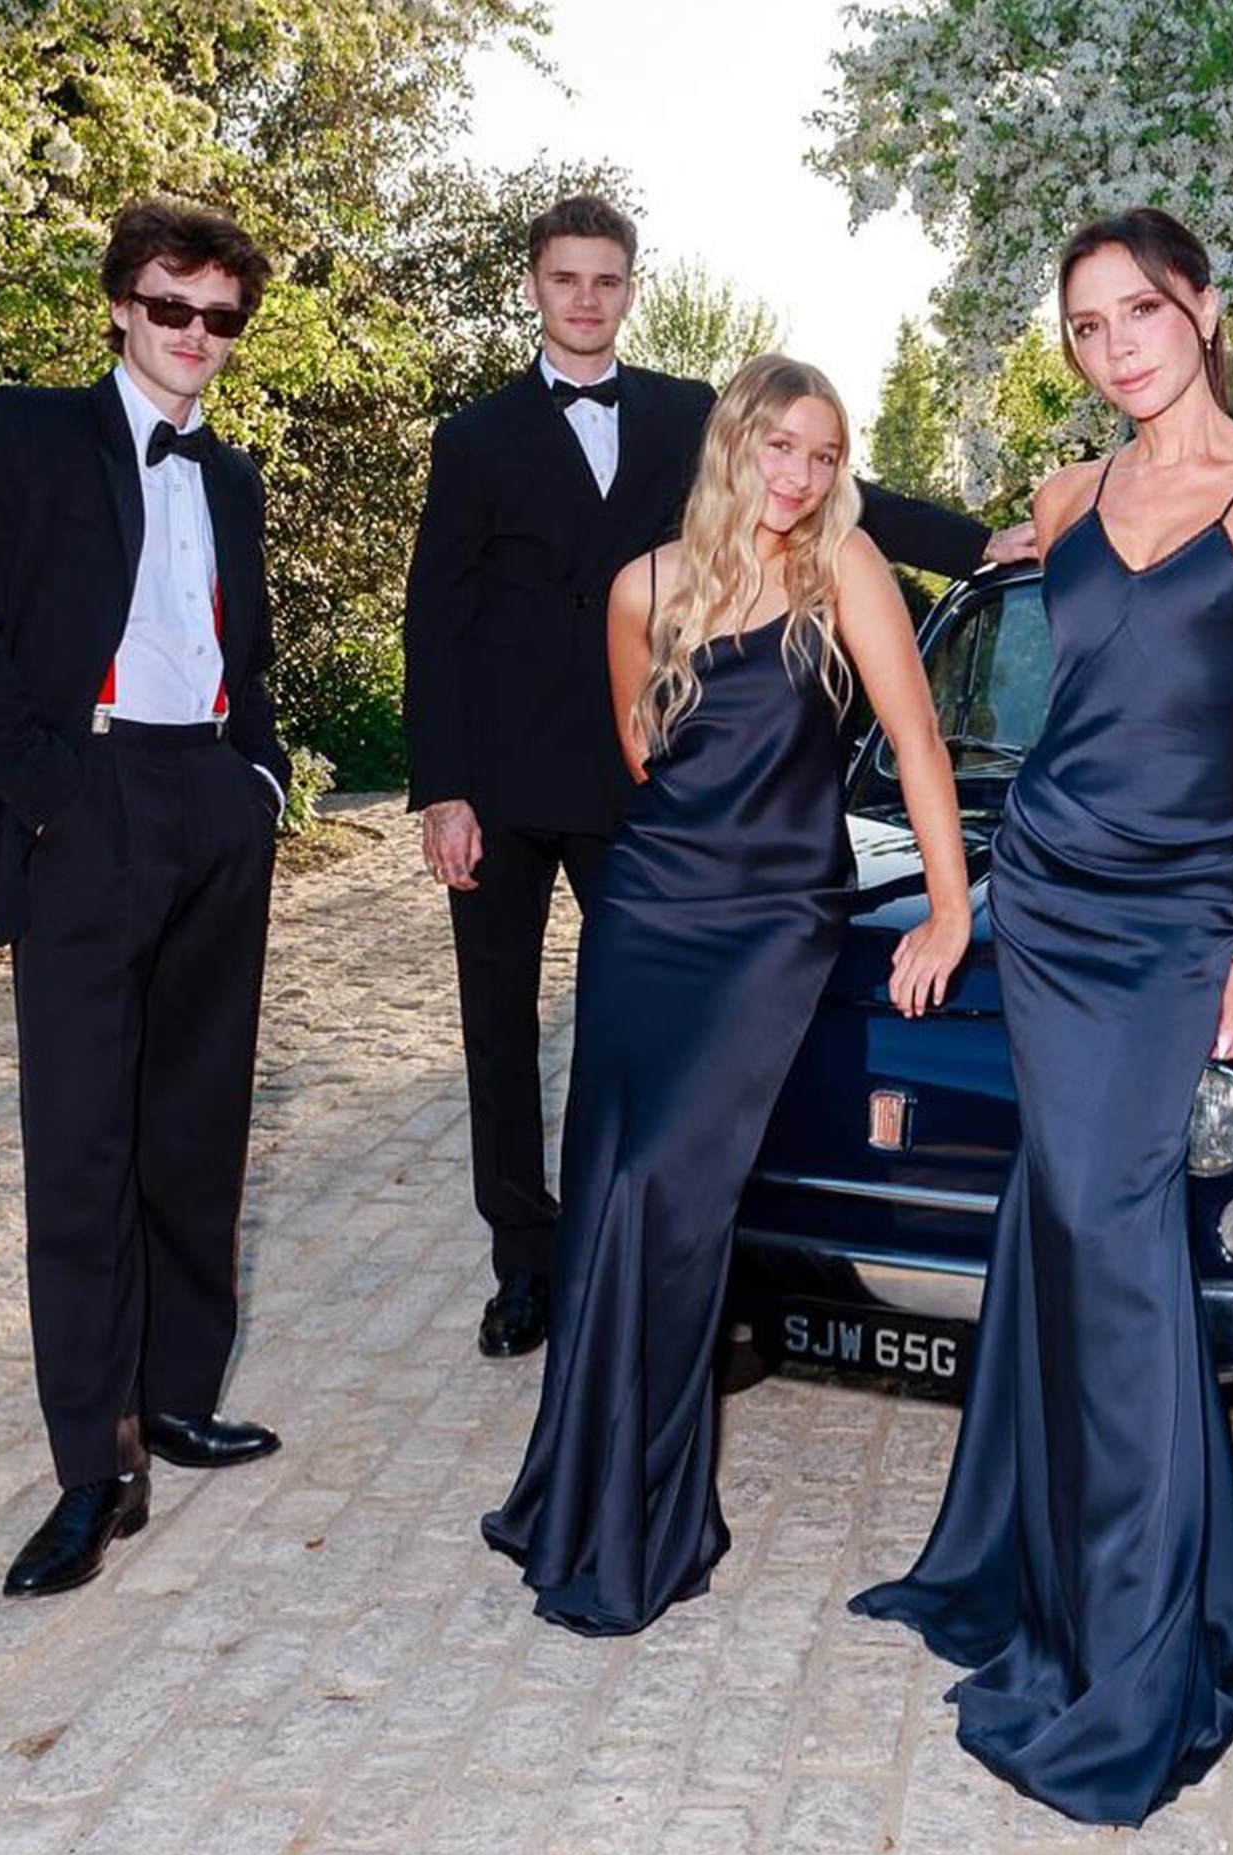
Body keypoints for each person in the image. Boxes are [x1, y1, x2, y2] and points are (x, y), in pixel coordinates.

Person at [853, 209, 1233, 1825]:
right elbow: (957, 563)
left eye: (1138, 311)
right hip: (1050, 898)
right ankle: (1042, 1571)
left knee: (1118, 1246)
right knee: (1064, 1227)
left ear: (1202, 308)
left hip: (1187, 916)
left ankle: (1142, 1653)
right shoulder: (1069, 498)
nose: (1116, 344)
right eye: (1085, 327)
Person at [403, 195, 1033, 1362]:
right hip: (502, 774)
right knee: (496, 1033)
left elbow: (836, 493)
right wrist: (443, 787)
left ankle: (702, 1264)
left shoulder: (697, 414)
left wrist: (973, 542)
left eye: (606, 279)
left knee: (670, 1048)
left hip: (655, 786)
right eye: (564, 279)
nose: (585, 299)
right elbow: (434, 619)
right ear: (534, 288)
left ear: (630, 288)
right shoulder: (474, 438)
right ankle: (525, 1263)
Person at [480, 354, 970, 1633]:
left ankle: (645, 1515)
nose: (803, 477)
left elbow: (916, 743)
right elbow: (648, 755)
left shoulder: (845, 575)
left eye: (823, 455)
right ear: (732, 446)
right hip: (647, 912)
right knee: (607, 1193)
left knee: (667, 1194)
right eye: (781, 450)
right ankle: (582, 1495)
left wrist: (953, 911)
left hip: (772, 923)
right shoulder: (643, 587)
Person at [0, 199, 290, 1598]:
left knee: (196, 1123)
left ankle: (177, 1392)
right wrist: (55, 800)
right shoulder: (23, 432)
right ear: (120, 305)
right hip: (90, 800)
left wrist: (259, 778)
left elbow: (241, 648)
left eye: (220, 317)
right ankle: (95, 1465)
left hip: (209, 804)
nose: (197, 337)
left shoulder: (233, 478)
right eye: (171, 306)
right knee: (81, 1148)